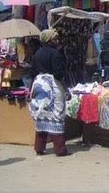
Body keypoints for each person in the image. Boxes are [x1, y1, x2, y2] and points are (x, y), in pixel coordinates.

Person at [29, 29, 69, 157]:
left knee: (42, 115)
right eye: (55, 39)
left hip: (39, 86)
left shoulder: (37, 54)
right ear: (49, 40)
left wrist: (31, 91)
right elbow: (58, 74)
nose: (57, 41)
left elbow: (32, 74)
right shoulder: (55, 53)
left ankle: (39, 148)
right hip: (52, 87)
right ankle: (60, 150)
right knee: (56, 115)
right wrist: (66, 89)